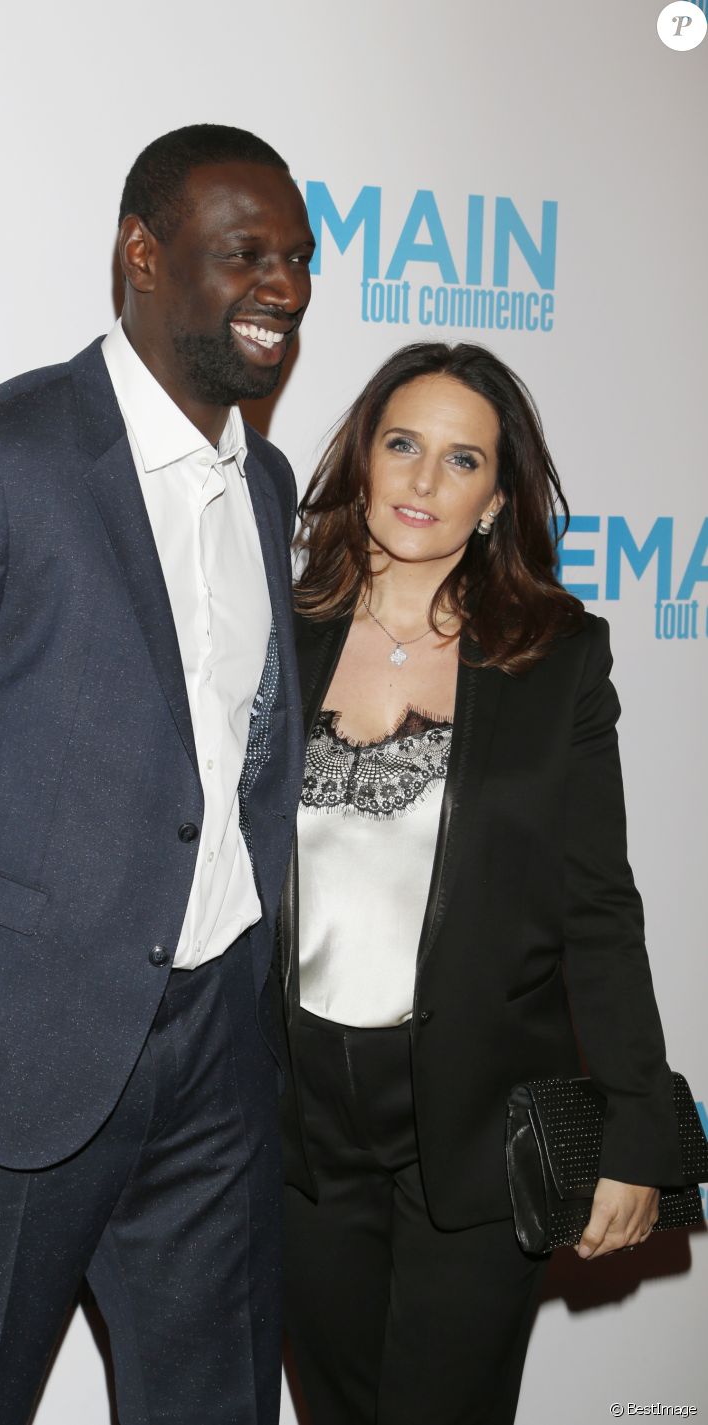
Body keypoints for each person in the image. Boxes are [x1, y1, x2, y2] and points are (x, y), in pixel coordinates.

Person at [0, 123, 315, 1425]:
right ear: (140, 256)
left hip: (214, 1068)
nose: (282, 286)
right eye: (242, 253)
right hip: (2, 1071)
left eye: (297, 259)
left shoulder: (262, 483)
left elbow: (241, 768)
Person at [276, 342, 684, 1425]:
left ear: (496, 498)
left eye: (461, 461)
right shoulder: (274, 633)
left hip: (473, 1124)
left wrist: (641, 1122)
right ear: (361, 458)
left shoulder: (554, 661)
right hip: (294, 1122)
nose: (421, 481)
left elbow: (595, 904)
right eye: (401, 445)